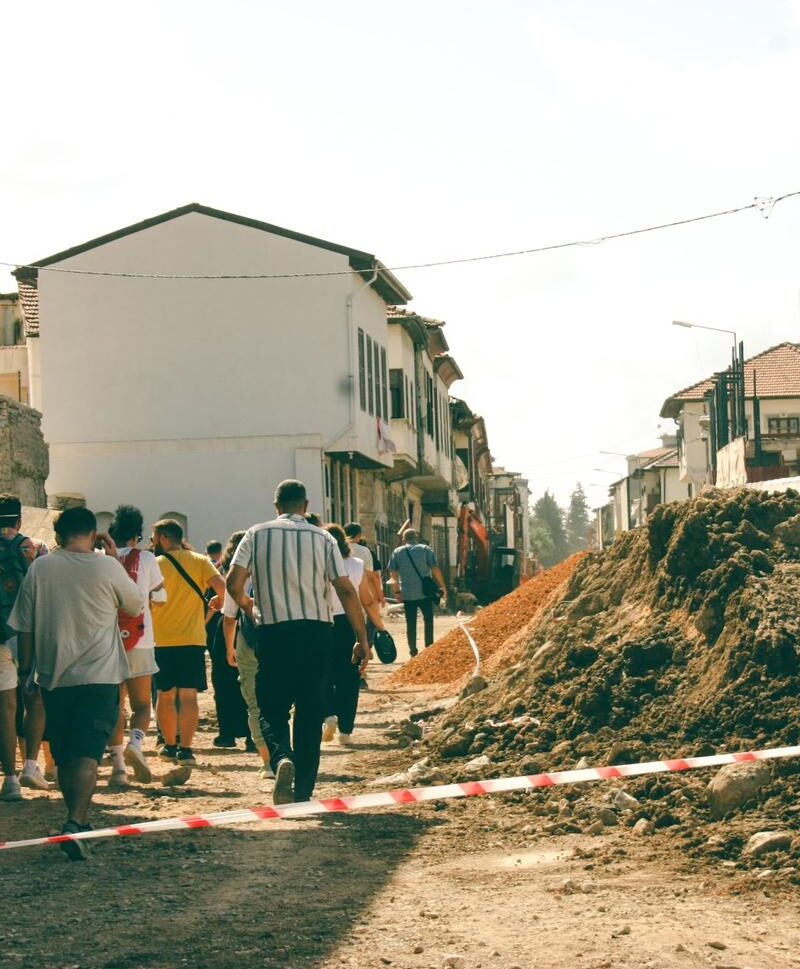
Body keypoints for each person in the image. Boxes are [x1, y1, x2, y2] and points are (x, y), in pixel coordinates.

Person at [9, 506, 143, 859]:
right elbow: (134, 603)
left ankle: (75, 823)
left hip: (55, 674)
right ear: (93, 533)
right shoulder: (106, 565)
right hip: (99, 674)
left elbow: (24, 625)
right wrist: (114, 557)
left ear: (59, 533)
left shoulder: (41, 568)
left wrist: (27, 673)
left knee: (67, 752)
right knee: (86, 752)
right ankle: (75, 823)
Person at [227, 479, 370, 804]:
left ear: (276, 507)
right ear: (305, 507)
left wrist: (250, 608)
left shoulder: (256, 534)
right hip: (317, 633)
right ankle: (303, 790)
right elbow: (346, 589)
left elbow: (233, 582)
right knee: (310, 709)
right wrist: (362, 638)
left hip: (275, 632)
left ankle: (281, 758)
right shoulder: (323, 538)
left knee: (271, 706)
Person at [151, 519, 225, 767]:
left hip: (161, 638)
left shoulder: (155, 564)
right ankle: (187, 749)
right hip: (193, 638)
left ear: (163, 538)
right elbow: (222, 588)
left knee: (166, 694)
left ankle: (170, 745)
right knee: (189, 696)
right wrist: (216, 602)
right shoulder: (200, 561)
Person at [105, 505, 166, 785]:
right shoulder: (148, 559)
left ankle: (118, 766)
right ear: (136, 536)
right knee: (142, 705)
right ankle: (136, 744)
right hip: (141, 638)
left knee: (115, 705)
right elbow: (160, 596)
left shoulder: (100, 559)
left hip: (108, 640)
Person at [0, 494, 42, 801]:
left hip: (0, 635)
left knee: (5, 707)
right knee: (35, 700)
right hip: (28, 633)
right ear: (19, 519)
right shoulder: (36, 548)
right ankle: (30, 765)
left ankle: (10, 780)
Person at [322, 525, 367, 745]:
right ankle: (346, 730)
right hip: (350, 622)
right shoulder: (356, 565)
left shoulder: (317, 565)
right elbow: (364, 599)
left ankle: (329, 714)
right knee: (349, 677)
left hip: (322, 622)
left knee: (324, 674)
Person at [208, 531, 252, 750]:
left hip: (226, 626)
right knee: (252, 682)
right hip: (252, 625)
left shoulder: (221, 570)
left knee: (224, 684)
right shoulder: (256, 570)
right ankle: (253, 735)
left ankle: (227, 733)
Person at [388, 528, 448, 657]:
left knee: (411, 622)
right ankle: (429, 647)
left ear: (404, 539)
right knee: (428, 619)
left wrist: (397, 592)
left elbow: (393, 574)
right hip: (425, 593)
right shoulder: (426, 549)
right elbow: (435, 569)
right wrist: (443, 587)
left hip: (408, 594)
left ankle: (413, 650)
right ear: (417, 537)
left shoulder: (397, 552)